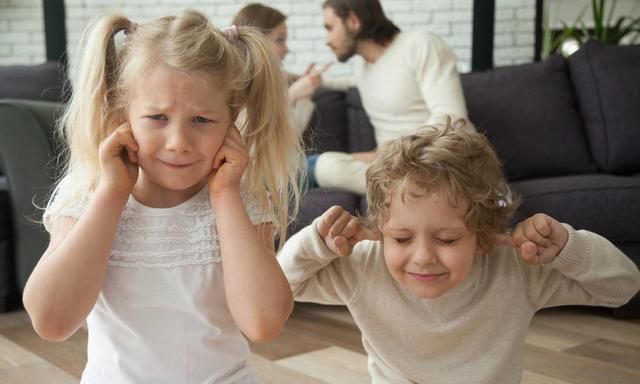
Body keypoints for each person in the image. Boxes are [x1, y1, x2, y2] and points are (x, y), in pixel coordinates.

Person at [22, 10, 303, 383]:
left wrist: (224, 197)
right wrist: (111, 194)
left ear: (232, 118)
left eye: (202, 121)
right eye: (157, 117)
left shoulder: (243, 199)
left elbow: (263, 323)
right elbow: (51, 321)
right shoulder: (85, 194)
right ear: (122, 110)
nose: (179, 144)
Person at [278, 119, 640, 383]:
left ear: (483, 236)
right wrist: (315, 244)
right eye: (402, 238)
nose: (422, 257)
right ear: (381, 231)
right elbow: (280, 288)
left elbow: (623, 287)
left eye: (447, 240)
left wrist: (567, 247)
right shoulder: (365, 265)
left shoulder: (516, 268)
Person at [308, 0, 470, 195]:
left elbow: (451, 116)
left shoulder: (420, 45)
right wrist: (302, 81)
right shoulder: (363, 68)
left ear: (353, 21)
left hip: (439, 163)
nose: (327, 40)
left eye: (330, 27)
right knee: (327, 163)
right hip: (393, 168)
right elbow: (350, 82)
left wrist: (387, 153)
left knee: (324, 165)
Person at [232, 3, 332, 135]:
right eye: (280, 40)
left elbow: (292, 142)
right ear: (257, 40)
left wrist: (304, 96)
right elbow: (247, 139)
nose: (286, 50)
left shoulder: (272, 83)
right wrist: (292, 94)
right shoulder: (233, 86)